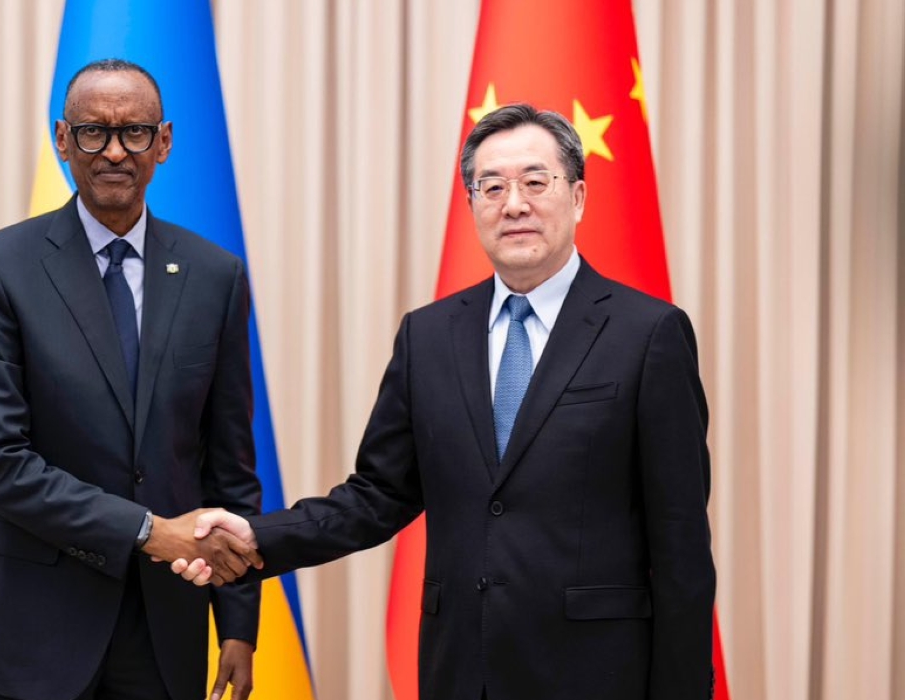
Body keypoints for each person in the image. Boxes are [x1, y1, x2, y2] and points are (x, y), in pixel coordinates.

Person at [173, 104, 716, 700]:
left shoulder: (647, 333)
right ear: (472, 205)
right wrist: (256, 538)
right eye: (492, 187)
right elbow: (378, 495)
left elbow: (680, 541)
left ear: (578, 196)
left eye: (536, 182)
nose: (514, 204)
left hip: (597, 674)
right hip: (461, 670)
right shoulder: (428, 336)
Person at [0, 58, 263, 700]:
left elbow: (228, 464)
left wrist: (238, 622)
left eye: (135, 132)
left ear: (165, 142)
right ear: (63, 140)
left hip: (167, 628)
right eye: (93, 132)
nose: (115, 151)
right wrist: (148, 530)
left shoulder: (216, 276)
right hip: (34, 626)